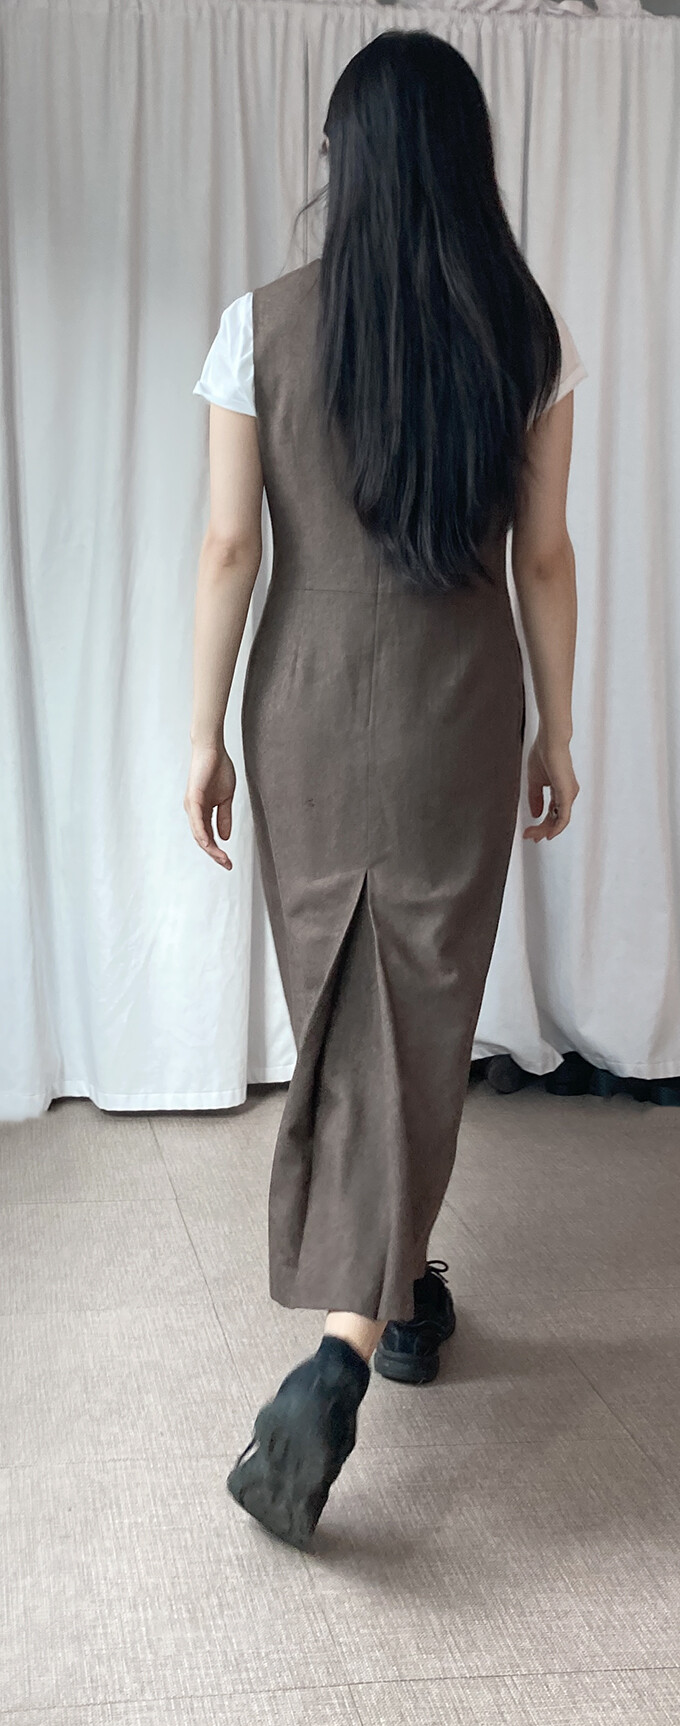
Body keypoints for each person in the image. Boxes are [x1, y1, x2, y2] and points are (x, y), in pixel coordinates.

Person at [184, 31, 584, 1551]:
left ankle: (368, 1322)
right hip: (458, 709)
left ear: (343, 165)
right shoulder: (524, 335)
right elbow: (543, 557)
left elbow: (231, 549)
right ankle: (381, 1316)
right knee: (417, 1010)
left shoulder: (259, 324)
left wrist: (203, 734)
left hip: (304, 706)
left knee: (343, 1009)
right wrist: (558, 729)